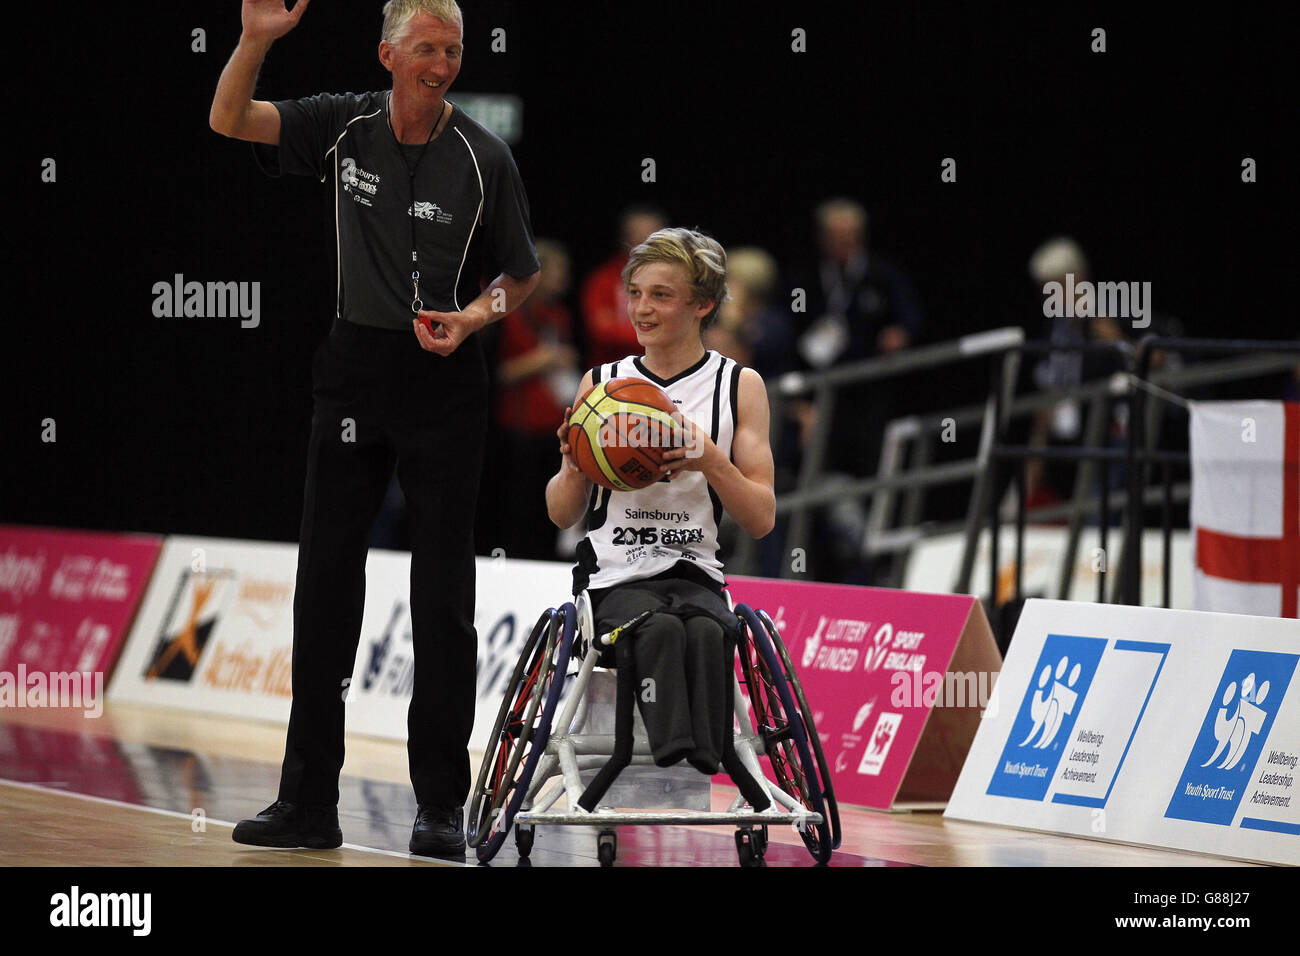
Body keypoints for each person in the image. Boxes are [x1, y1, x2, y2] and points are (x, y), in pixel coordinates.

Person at [209, 0, 540, 858]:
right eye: (427, 47)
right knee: (324, 588)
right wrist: (253, 40)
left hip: (443, 380)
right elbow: (228, 118)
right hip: (353, 370)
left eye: (455, 50)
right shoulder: (342, 124)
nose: (442, 63)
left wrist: (474, 318)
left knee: (442, 599)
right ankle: (307, 804)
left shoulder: (485, 155)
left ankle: (438, 807)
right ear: (388, 52)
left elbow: (521, 277)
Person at [546, 228, 775, 772]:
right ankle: (676, 751)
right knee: (660, 627)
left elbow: (762, 519)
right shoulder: (602, 383)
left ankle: (707, 755)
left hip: (696, 568)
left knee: (709, 627)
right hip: (615, 571)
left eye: (661, 295)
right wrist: (576, 468)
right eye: (636, 293)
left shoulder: (739, 386)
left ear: (703, 304)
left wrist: (711, 460)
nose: (642, 309)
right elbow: (561, 513)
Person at [580, 205, 669, 368]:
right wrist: (660, 333)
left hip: (664, 368)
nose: (645, 240)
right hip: (613, 372)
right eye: (638, 233)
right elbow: (601, 330)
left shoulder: (674, 280)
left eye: (651, 234)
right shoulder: (603, 280)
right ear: (624, 236)